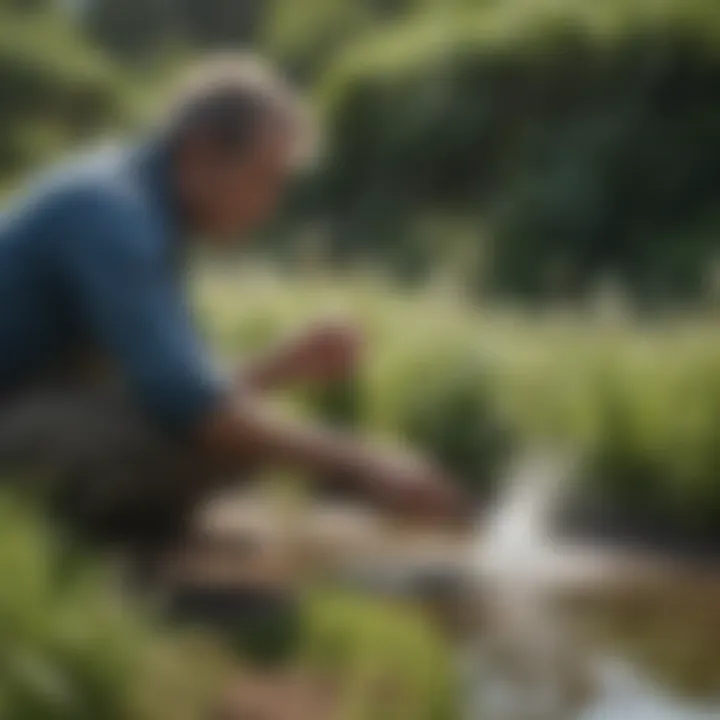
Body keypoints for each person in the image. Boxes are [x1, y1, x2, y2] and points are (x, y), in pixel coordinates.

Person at [0, 55, 460, 570]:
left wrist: (286, 364)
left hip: (23, 399)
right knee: (225, 448)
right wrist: (364, 463)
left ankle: (95, 531)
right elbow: (193, 411)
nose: (273, 203)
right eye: (268, 177)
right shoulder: (113, 217)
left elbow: (175, 389)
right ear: (200, 153)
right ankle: (74, 546)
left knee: (244, 437)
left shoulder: (139, 207)